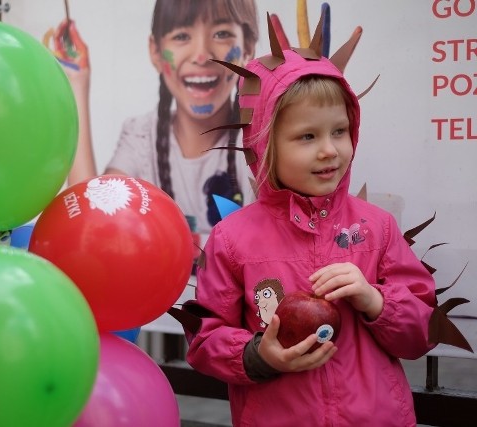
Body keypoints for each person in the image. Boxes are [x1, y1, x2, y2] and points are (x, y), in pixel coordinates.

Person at [183, 14, 438, 427]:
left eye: (340, 131)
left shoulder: (377, 228)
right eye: (307, 136)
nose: (330, 151)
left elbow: (421, 333)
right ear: (264, 143)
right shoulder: (232, 239)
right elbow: (204, 337)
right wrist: (258, 355)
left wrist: (375, 301)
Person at [55, 0, 260, 238]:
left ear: (248, 48)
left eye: (221, 34)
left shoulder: (261, 145)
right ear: (155, 51)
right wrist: (77, 81)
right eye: (182, 36)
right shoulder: (141, 138)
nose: (202, 55)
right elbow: (92, 218)